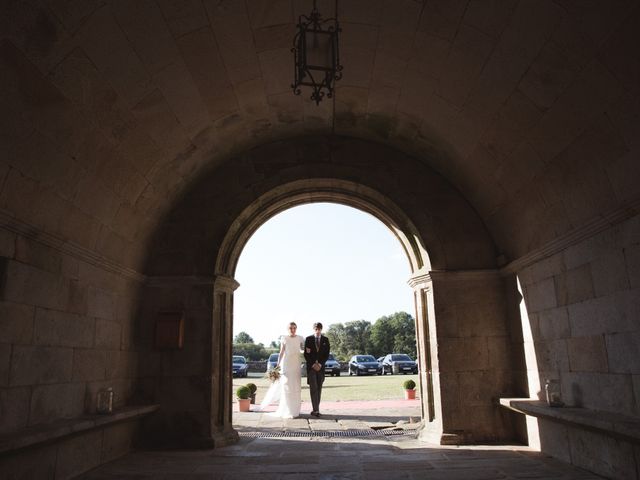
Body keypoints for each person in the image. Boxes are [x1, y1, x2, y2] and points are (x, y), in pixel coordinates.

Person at [255, 322, 304, 418]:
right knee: (287, 386)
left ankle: (295, 410)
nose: (293, 330)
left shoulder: (300, 338)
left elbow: (302, 349)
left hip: (296, 364)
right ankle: (288, 410)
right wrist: (277, 365)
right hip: (287, 365)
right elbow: (281, 352)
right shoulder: (284, 338)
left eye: (294, 328)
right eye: (291, 328)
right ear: (288, 329)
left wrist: (305, 350)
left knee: (296, 386)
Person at [304, 322, 330, 417]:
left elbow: (326, 355)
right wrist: (313, 365)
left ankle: (316, 409)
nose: (318, 331)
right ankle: (316, 410)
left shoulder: (325, 340)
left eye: (319, 329)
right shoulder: (308, 339)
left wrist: (319, 364)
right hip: (311, 368)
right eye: (316, 329)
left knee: (319, 388)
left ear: (321, 329)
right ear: (313, 329)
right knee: (313, 388)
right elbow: (306, 355)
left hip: (321, 368)